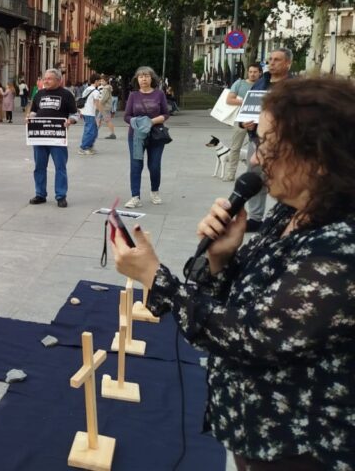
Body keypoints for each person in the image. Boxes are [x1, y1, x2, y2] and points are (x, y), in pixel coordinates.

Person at [111, 77, 355, 471]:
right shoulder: (293, 211)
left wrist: (157, 278)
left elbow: (253, 336)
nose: (256, 159)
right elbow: (245, 294)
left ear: (320, 157)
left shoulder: (343, 248)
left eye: (270, 144)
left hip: (300, 450)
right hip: (254, 434)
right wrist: (221, 259)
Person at [244, 48, 293, 233]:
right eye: (270, 59)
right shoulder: (259, 83)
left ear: (287, 63)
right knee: (255, 177)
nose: (271, 63)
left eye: (277, 60)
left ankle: (286, 217)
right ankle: (255, 218)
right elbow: (247, 110)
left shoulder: (294, 87)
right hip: (257, 140)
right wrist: (244, 124)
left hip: (284, 142)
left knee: (285, 178)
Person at [28, 68, 78, 207]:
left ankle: (61, 196)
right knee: (39, 167)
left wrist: (70, 121)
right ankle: (40, 194)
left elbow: (75, 114)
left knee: (60, 167)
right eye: (44, 78)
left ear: (58, 80)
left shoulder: (67, 95)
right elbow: (33, 111)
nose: (45, 81)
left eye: (49, 79)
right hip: (40, 137)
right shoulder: (39, 94)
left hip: (58, 138)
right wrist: (30, 119)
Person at [123, 66, 170, 208]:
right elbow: (126, 116)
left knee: (154, 165)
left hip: (156, 135)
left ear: (152, 78)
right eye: (141, 76)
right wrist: (139, 123)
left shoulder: (159, 94)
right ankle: (135, 196)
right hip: (136, 136)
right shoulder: (133, 95)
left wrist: (151, 122)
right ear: (137, 79)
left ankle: (155, 191)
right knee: (136, 165)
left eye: (147, 76)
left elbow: (166, 114)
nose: (144, 79)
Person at [223, 63, 261, 182]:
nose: (252, 74)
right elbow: (229, 99)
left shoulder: (263, 85)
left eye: (255, 72)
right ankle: (231, 173)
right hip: (240, 120)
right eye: (250, 71)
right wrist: (246, 101)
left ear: (260, 73)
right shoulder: (239, 83)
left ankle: (253, 174)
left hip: (258, 122)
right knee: (235, 147)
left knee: (256, 148)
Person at [77, 74, 103, 155]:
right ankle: (84, 148)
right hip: (90, 113)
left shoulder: (87, 89)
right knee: (90, 131)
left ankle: (89, 146)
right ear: (96, 81)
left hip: (85, 112)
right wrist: (103, 112)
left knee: (93, 130)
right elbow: (97, 103)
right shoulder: (95, 91)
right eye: (99, 81)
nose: (100, 83)